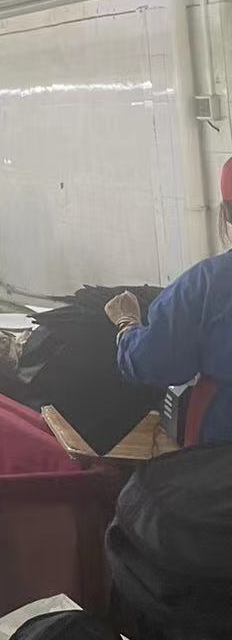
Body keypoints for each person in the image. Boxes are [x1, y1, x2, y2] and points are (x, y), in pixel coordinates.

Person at [106, 160, 232, 446]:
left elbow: (154, 361)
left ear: (225, 213)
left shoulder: (207, 284)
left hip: (221, 454)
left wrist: (127, 325)